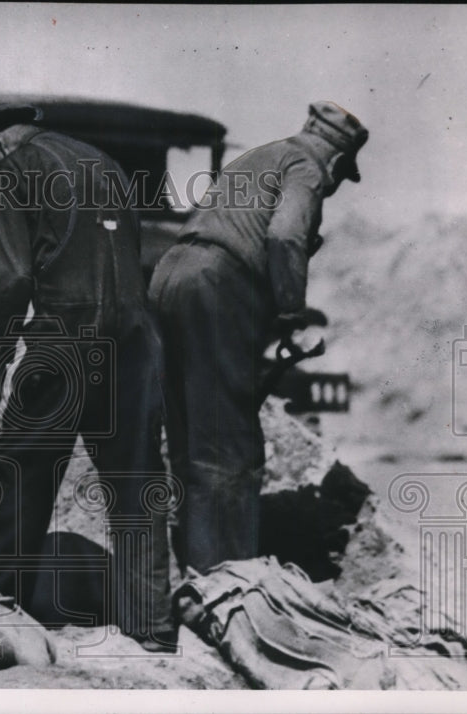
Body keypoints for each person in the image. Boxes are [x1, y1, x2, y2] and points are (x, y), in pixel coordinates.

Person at [0, 104, 176, 652]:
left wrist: (1, 344)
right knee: (136, 480)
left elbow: (14, 275)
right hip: (134, 338)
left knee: (19, 465)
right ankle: (151, 625)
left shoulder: (13, 166)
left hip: (66, 333)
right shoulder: (107, 163)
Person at [147, 101, 369, 575]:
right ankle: (232, 578)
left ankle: (192, 565)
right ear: (336, 160)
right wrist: (292, 314)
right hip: (218, 285)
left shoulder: (261, 156)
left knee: (189, 438)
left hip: (171, 275)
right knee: (232, 448)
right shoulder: (307, 167)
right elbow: (285, 235)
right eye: (340, 175)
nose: (332, 186)